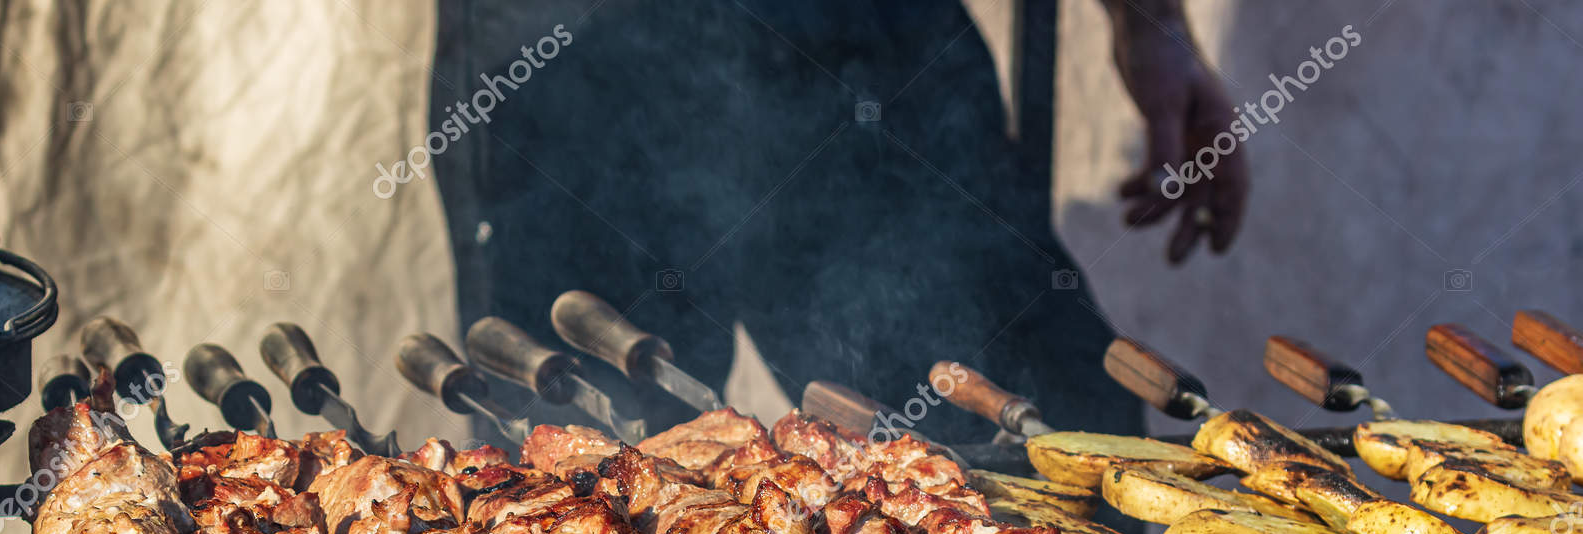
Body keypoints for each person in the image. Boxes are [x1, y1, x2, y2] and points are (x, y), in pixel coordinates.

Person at [431, 0, 1248, 443]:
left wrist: (1151, 23)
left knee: (1032, 462)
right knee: (586, 492)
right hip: (564, 57)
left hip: (853, 38)